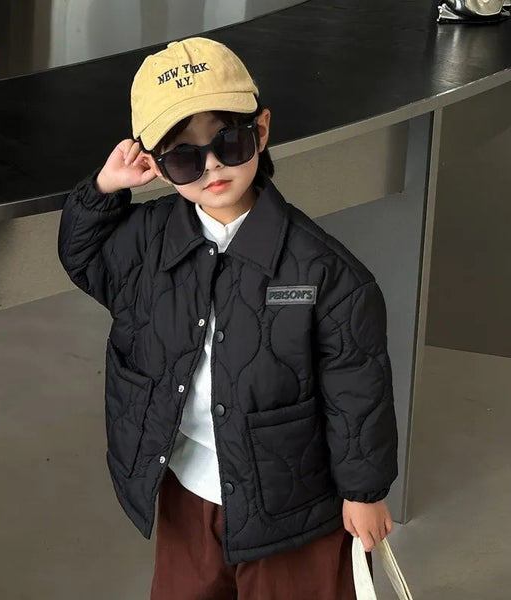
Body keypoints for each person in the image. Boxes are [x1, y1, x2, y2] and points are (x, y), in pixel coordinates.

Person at [58, 36, 398, 600]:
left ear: (261, 131)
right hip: (187, 482)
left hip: (292, 501)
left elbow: (357, 387)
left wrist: (365, 492)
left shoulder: (323, 272)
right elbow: (84, 257)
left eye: (229, 140)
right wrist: (104, 188)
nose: (211, 165)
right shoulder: (147, 242)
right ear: (157, 165)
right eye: (183, 156)